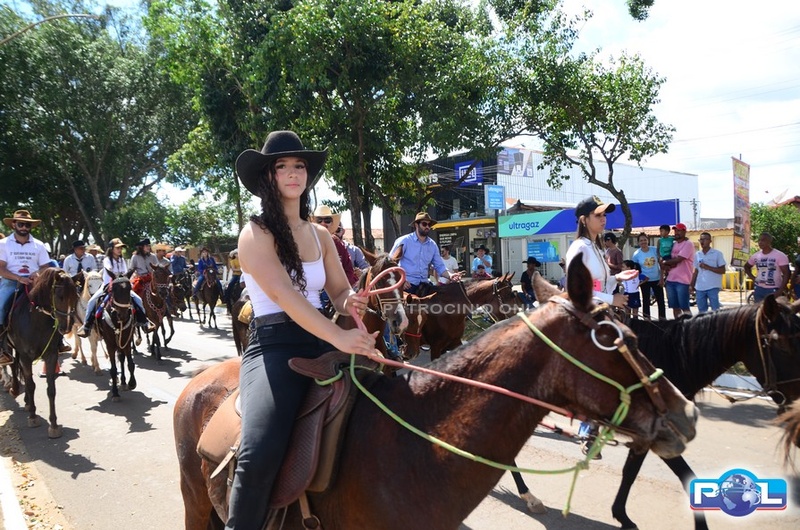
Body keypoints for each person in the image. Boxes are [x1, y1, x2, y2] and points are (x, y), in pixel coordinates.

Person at [228, 129, 374, 530]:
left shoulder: (320, 234)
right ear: (268, 176)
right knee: (259, 451)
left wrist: (352, 302)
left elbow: (339, 291)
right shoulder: (254, 234)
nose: (293, 173)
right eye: (282, 166)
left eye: (300, 166)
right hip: (274, 346)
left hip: (321, 340)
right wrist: (340, 336)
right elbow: (285, 296)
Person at [566, 197, 631, 460]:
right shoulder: (579, 248)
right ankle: (587, 431)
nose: (604, 220)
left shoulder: (596, 247)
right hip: (583, 319)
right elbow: (576, 289)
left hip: (599, 315)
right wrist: (611, 299)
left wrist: (617, 278)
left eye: (605, 215)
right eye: (598, 215)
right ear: (584, 219)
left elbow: (596, 283)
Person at [0, 210, 53, 366]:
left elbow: (45, 266)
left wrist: (37, 273)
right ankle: (1, 348)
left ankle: (59, 340)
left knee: (56, 303)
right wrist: (18, 278)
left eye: (27, 225)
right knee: (0, 307)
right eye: (21, 224)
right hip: (11, 281)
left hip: (35, 282)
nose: (24, 227)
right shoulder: (3, 244)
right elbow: (1, 268)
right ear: (14, 225)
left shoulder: (39, 245)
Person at [77, 238, 152, 337]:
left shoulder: (122, 260)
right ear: (111, 249)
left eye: (121, 248)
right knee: (91, 302)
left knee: (138, 300)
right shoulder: (107, 260)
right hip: (108, 285)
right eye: (117, 248)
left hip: (121, 286)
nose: (120, 250)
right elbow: (109, 271)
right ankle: (86, 326)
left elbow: (124, 273)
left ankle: (144, 322)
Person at [390, 212, 461, 294]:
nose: (427, 227)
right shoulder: (404, 241)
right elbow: (390, 264)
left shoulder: (432, 245)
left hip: (424, 286)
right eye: (424, 224)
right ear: (416, 225)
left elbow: (440, 266)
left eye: (429, 225)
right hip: (407, 286)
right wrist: (401, 280)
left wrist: (451, 276)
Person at [745, 232, 790, 303]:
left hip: (774, 289)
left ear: (769, 241)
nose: (760, 242)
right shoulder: (756, 256)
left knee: (773, 309)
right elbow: (746, 266)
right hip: (759, 289)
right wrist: (753, 278)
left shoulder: (780, 255)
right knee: (759, 309)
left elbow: (786, 273)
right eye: (759, 240)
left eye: (763, 240)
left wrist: (781, 290)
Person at [662, 223, 694, 318]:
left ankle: (689, 325)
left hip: (683, 281)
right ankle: (678, 325)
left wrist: (665, 262)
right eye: (675, 230)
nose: (676, 232)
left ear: (684, 232)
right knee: (675, 308)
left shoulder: (688, 244)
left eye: (679, 230)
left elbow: (679, 259)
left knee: (685, 308)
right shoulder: (674, 244)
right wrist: (665, 264)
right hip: (670, 280)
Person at [632, 232, 665, 320]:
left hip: (657, 279)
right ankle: (647, 321)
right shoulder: (636, 254)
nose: (643, 242)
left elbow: (661, 264)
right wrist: (641, 279)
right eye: (641, 240)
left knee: (660, 301)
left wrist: (662, 278)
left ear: (648, 240)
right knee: (646, 301)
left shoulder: (654, 250)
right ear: (638, 242)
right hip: (645, 281)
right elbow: (635, 270)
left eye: (645, 240)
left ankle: (662, 320)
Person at [690, 232, 726, 313]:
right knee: (702, 311)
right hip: (700, 287)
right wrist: (691, 285)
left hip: (712, 286)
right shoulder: (697, 254)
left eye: (705, 239)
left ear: (710, 241)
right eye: (701, 239)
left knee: (715, 311)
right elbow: (696, 271)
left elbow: (722, 270)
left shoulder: (717, 254)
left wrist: (708, 267)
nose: (702, 241)